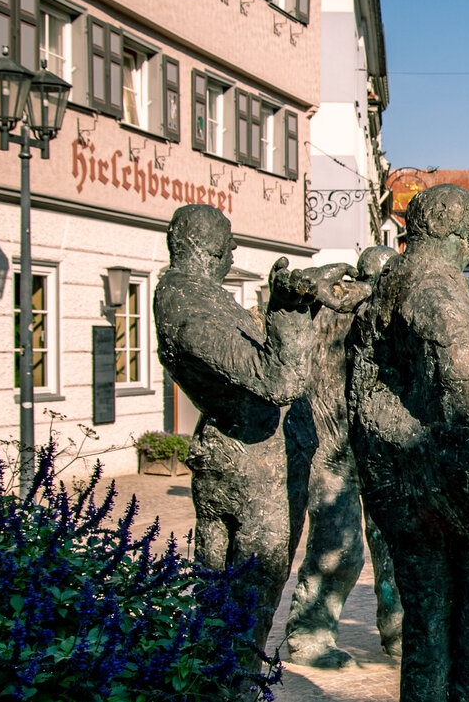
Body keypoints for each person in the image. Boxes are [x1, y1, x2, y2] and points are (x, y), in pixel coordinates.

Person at [348, 184, 469, 702]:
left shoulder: (392, 288)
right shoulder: (434, 290)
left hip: (425, 499)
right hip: (465, 509)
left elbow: (369, 399)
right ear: (453, 229)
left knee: (430, 637)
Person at [153, 204, 345, 656]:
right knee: (245, 608)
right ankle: (233, 687)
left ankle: (227, 683)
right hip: (251, 465)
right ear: (202, 244)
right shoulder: (185, 301)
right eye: (228, 239)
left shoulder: (204, 296)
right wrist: (287, 306)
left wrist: (308, 300)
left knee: (224, 608)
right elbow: (279, 380)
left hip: (242, 455)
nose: (234, 247)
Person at [286, 246, 403, 666]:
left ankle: (400, 630)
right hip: (332, 446)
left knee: (394, 543)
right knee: (339, 545)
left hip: (381, 449)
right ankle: (309, 634)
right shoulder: (331, 312)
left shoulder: (393, 316)